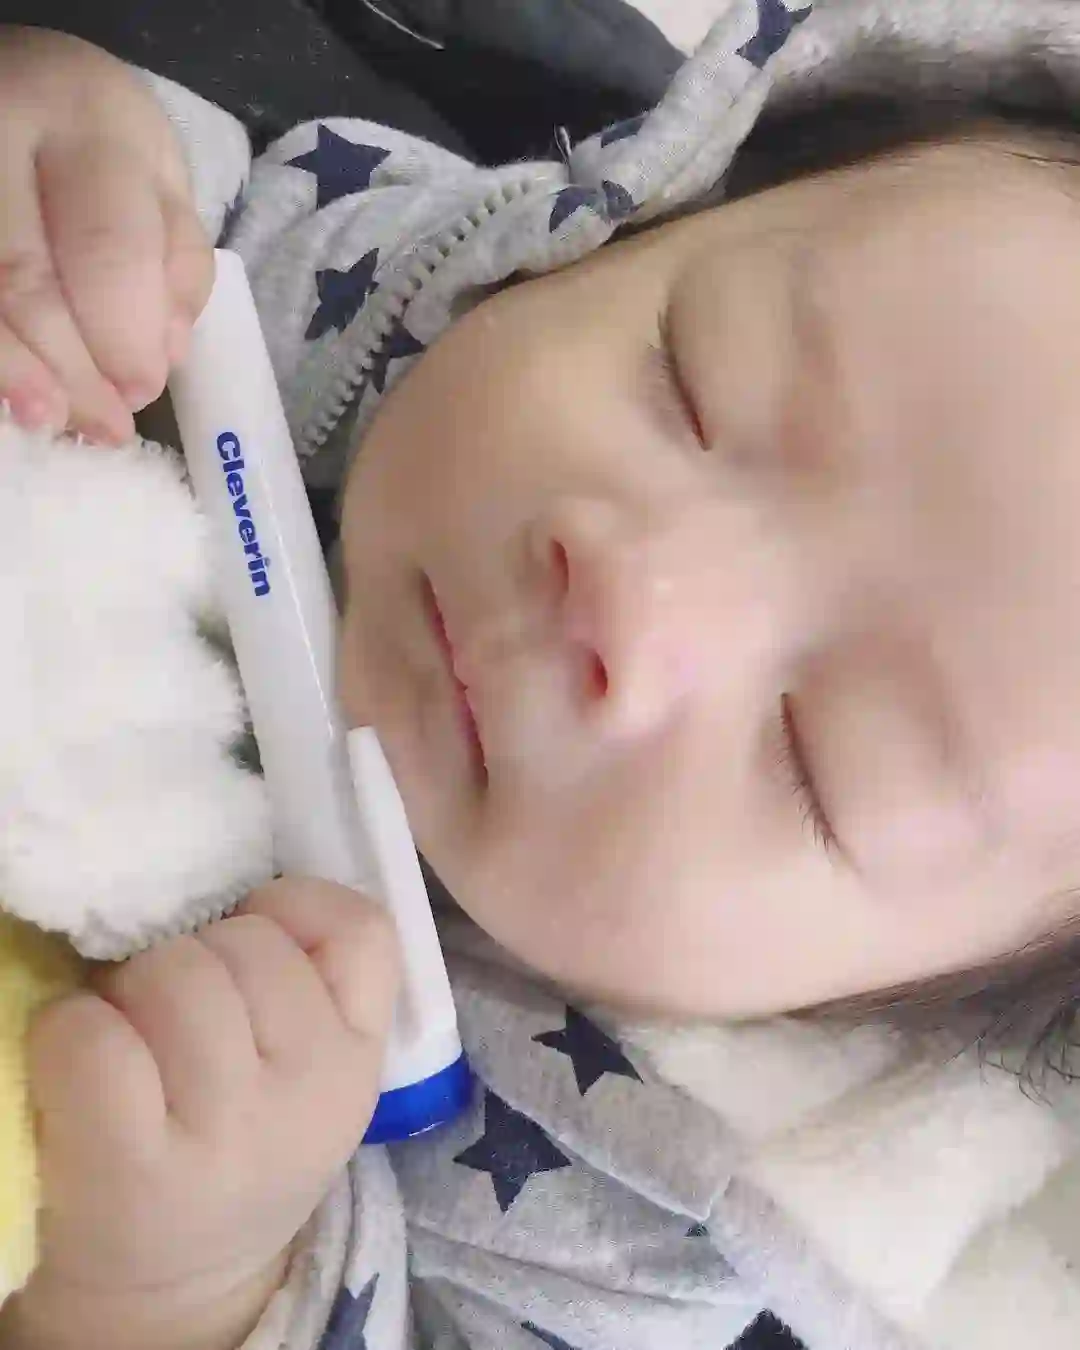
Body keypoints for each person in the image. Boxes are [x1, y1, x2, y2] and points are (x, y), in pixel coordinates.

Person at [5, 4, 1080, 1348]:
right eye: (697, 382)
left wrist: (180, 1289)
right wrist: (66, 162)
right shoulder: (378, 266)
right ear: (660, 216)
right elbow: (162, 173)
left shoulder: (639, 1248)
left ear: (875, 1017)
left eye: (825, 759)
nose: (632, 596)